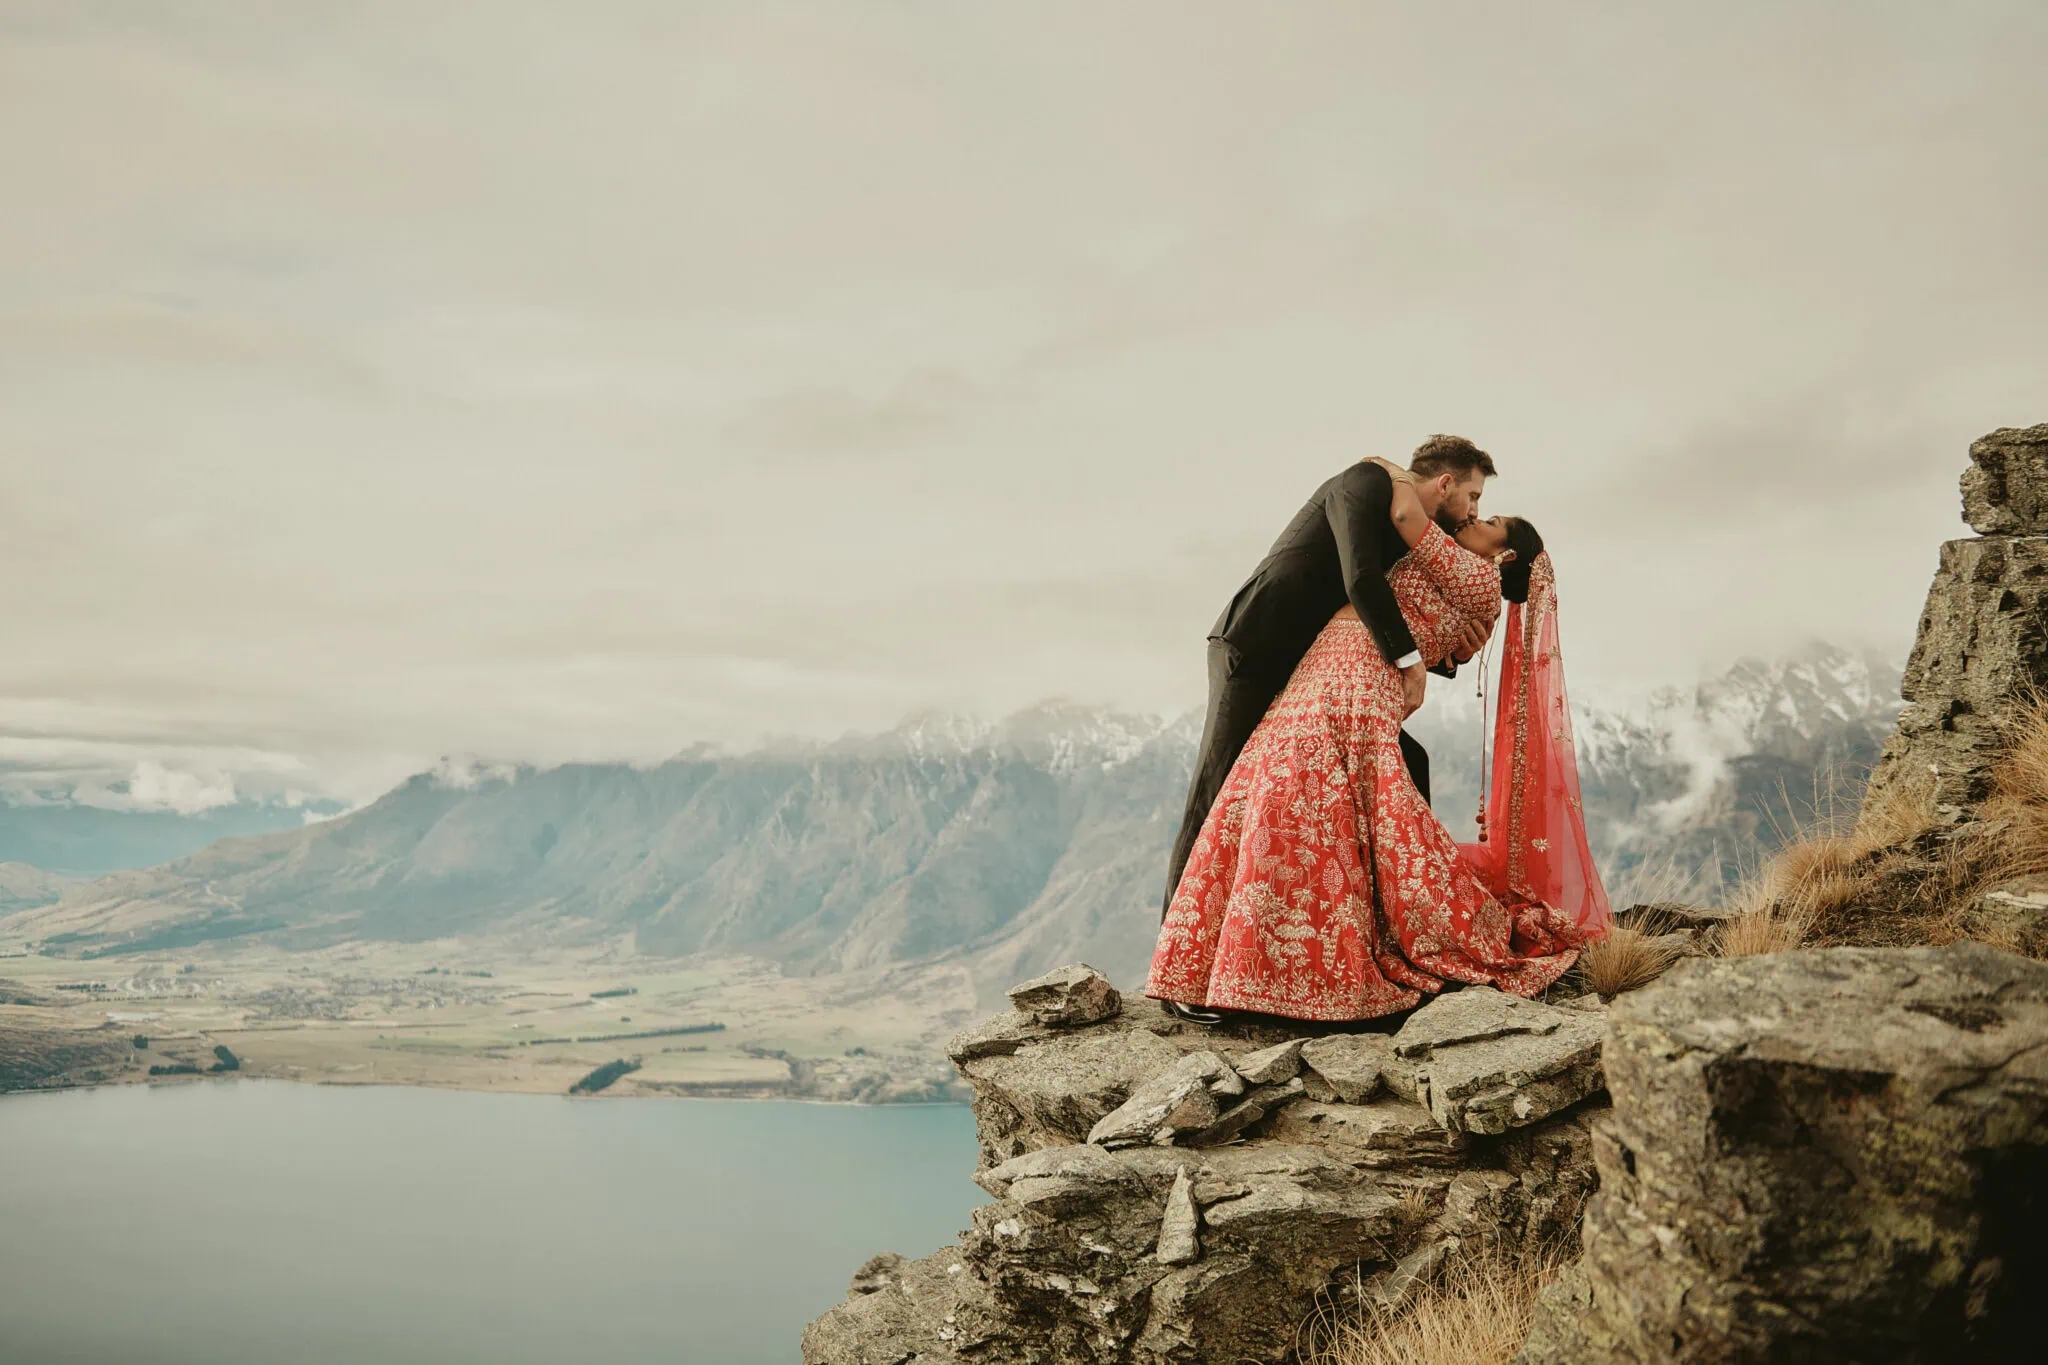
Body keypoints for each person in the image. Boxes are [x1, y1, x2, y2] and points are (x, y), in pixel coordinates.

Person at [1145, 474, 1604, 1023]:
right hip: (1329, 662)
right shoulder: (1458, 573)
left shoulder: (1478, 578)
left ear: (1504, 556)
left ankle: (1291, 970)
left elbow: (1407, 517)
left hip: (1359, 671)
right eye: (1477, 503)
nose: (1475, 517)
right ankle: (1213, 965)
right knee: (1265, 787)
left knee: (1302, 799)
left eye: (1489, 520)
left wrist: (1392, 473)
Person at [1159, 435, 1495, 932]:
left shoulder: (1409, 530)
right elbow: (1360, 580)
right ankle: (1177, 951)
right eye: (1473, 497)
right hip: (1254, 647)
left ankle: (1398, 925)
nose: (1472, 513)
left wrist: (1450, 657)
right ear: (1445, 485)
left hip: (1308, 676)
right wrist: (1410, 663)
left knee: (1411, 760)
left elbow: (1389, 617)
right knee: (1217, 788)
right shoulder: (1365, 483)